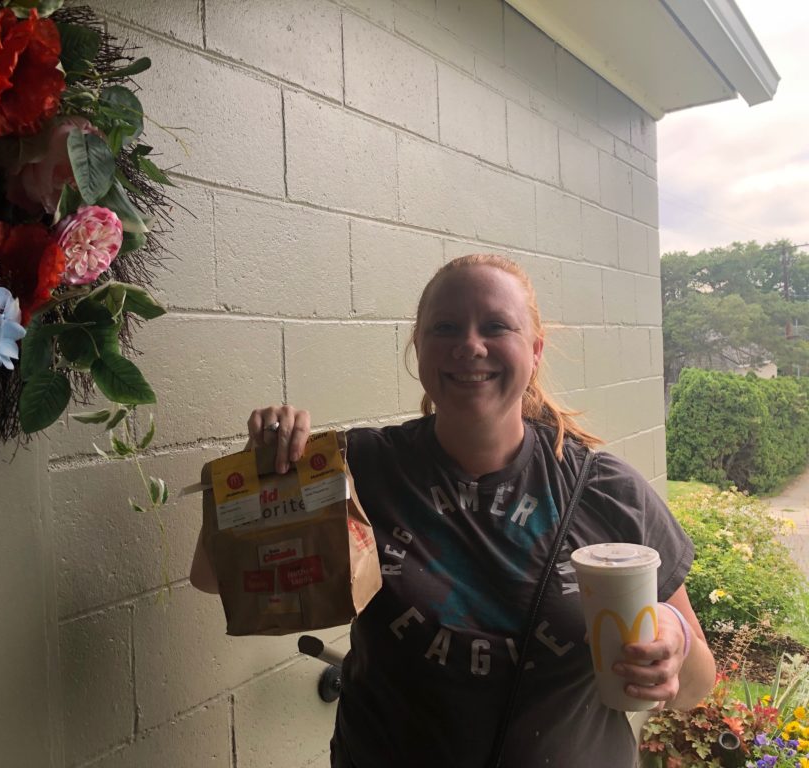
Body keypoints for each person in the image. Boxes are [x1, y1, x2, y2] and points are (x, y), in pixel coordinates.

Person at [190, 254, 716, 767]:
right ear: (418, 349)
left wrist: (671, 637)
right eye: (445, 327)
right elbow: (214, 577)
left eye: (494, 326)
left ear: (534, 351)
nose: (469, 345)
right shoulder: (360, 470)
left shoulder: (605, 490)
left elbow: (696, 685)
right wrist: (261, 477)